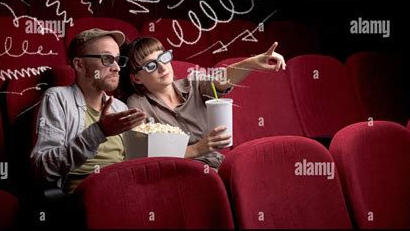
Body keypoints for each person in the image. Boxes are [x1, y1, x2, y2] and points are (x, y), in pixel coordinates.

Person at [121, 37, 286, 170]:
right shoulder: (138, 104)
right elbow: (142, 152)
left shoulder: (194, 84)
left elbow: (220, 81)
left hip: (218, 165)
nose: (162, 67)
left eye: (163, 57)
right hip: (182, 173)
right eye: (150, 65)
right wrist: (197, 149)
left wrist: (251, 63)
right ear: (136, 78)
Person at [31, 28, 146, 193]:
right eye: (107, 59)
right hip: (83, 197)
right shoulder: (57, 98)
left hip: (125, 189)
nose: (117, 68)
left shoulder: (120, 107)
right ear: (79, 64)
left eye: (118, 59)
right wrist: (99, 131)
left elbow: (132, 165)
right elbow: (41, 169)